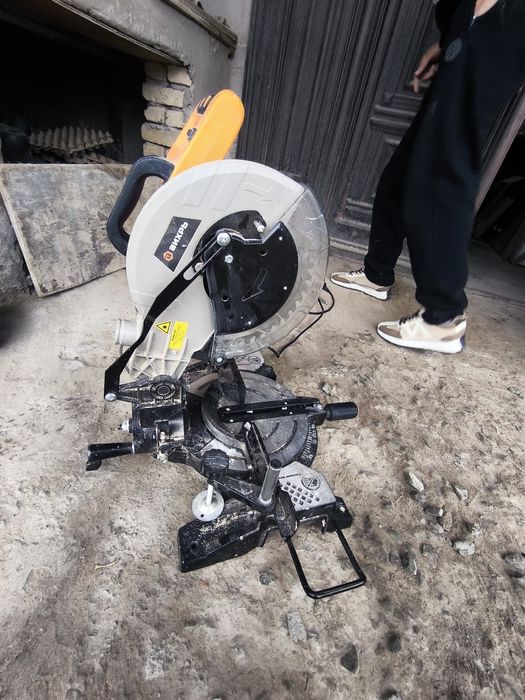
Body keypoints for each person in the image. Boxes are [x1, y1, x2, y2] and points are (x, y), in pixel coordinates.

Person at [331, 0, 525, 353]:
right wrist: (451, 40)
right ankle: (377, 273)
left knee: (443, 175)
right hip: (471, 25)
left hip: (504, 27)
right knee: (400, 176)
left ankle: (443, 318)